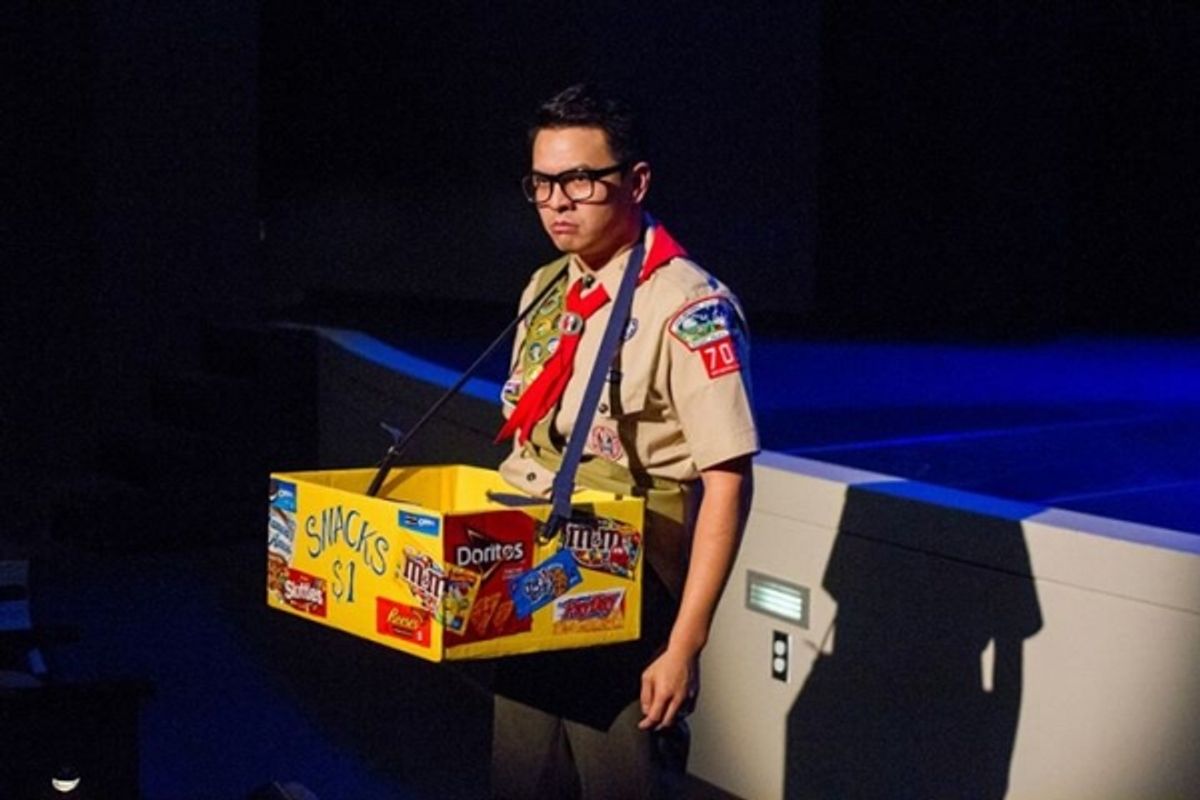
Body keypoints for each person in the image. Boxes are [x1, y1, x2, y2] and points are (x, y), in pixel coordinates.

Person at [491, 83, 759, 800]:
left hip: (624, 587)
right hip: (532, 574)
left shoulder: (686, 306)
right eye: (542, 182)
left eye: (580, 179)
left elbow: (727, 481)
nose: (557, 201)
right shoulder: (545, 287)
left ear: (635, 181)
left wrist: (685, 646)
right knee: (521, 777)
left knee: (622, 783)